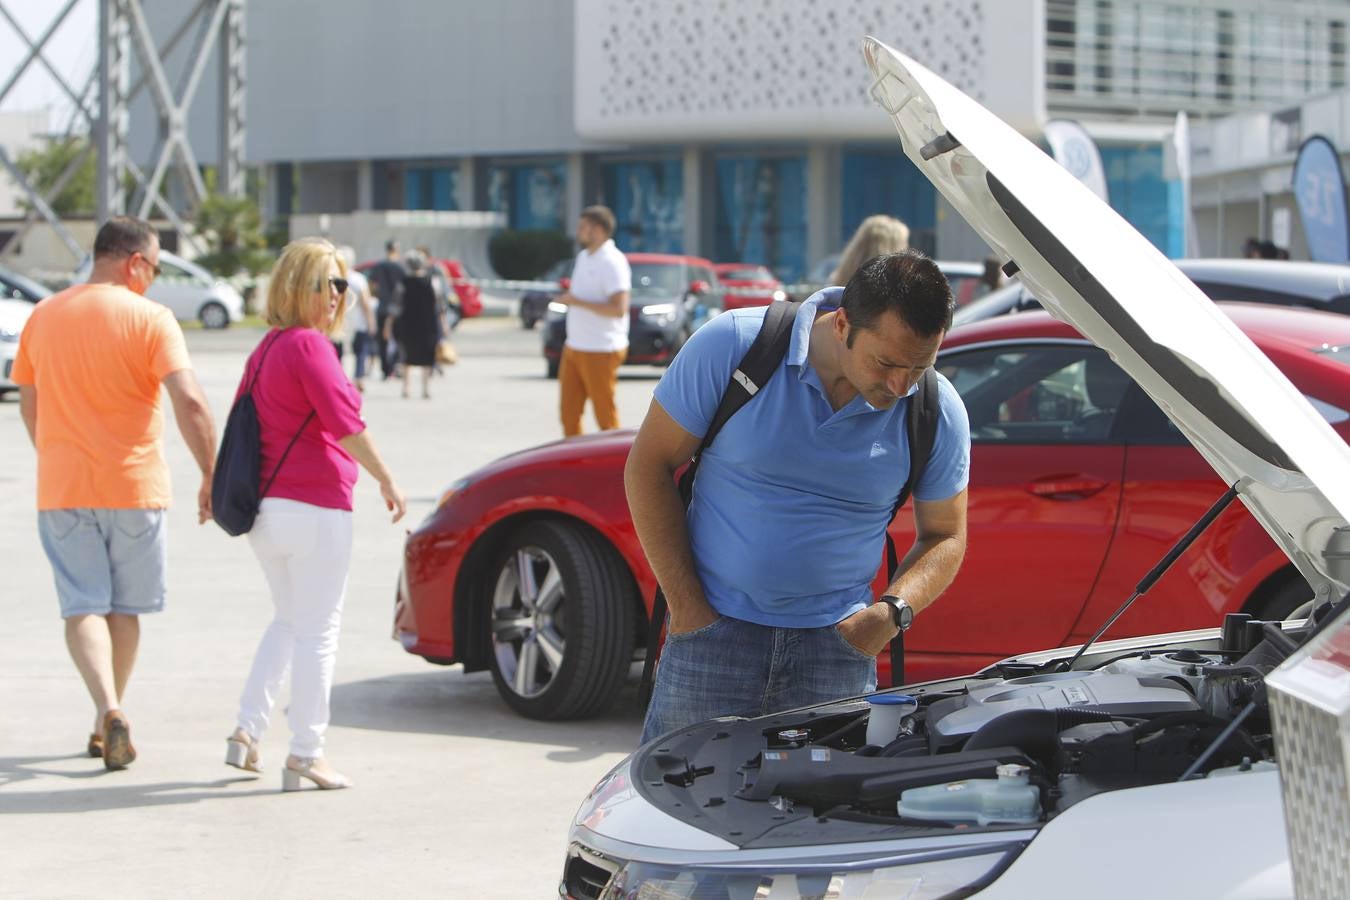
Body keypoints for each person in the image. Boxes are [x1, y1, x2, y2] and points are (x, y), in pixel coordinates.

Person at [626, 251, 971, 743]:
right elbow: (647, 466)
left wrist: (889, 615)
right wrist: (687, 608)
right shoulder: (736, 347)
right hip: (711, 636)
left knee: (820, 814)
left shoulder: (936, 410)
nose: (900, 385)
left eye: (919, 366)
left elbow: (946, 535)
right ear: (842, 324)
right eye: (887, 362)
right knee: (678, 806)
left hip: (840, 650)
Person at [12, 216, 218, 770]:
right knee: (124, 610)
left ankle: (106, 708)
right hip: (135, 486)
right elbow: (190, 401)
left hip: (64, 487)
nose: (150, 280)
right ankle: (110, 715)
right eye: (151, 268)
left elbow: (29, 404)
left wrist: (55, 456)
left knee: (82, 604)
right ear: (134, 262)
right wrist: (210, 473)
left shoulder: (44, 314)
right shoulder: (152, 319)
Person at [224, 237, 407, 791]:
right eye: (326, 284)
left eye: (342, 284)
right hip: (314, 507)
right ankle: (306, 750)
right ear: (296, 288)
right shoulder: (308, 347)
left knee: (288, 621)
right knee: (318, 631)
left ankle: (246, 731)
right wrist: (386, 478)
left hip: (268, 511)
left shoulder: (267, 348)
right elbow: (346, 423)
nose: (336, 296)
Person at [557, 205, 632, 436]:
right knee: (568, 415)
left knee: (605, 419)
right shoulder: (584, 256)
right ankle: (574, 468)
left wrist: (577, 302)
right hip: (575, 346)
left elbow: (619, 309)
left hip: (601, 349)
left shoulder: (613, 261)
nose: (578, 232)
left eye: (583, 227)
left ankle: (614, 471)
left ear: (598, 230)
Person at [387, 251, 440, 399]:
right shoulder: (432, 282)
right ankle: (426, 388)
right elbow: (438, 305)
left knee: (407, 356)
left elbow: (395, 306)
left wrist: (388, 323)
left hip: (408, 324)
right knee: (427, 356)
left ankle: (406, 387)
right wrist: (444, 323)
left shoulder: (403, 283)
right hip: (428, 324)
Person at [366, 239, 406, 380]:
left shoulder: (379, 266)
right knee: (399, 338)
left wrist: (377, 294)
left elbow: (372, 285)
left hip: (382, 306)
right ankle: (396, 365)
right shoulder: (401, 267)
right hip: (398, 308)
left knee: (382, 339)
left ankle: (385, 369)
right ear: (396, 249)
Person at [830, 214, 910, 284]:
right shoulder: (901, 285)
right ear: (894, 247)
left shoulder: (835, 287)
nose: (907, 247)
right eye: (904, 243)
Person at [338, 246, 374, 392]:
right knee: (361, 350)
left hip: (340, 320)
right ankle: (358, 377)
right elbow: (366, 302)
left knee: (338, 351)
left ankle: (339, 377)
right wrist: (370, 321)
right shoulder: (359, 279)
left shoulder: (336, 278)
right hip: (358, 320)